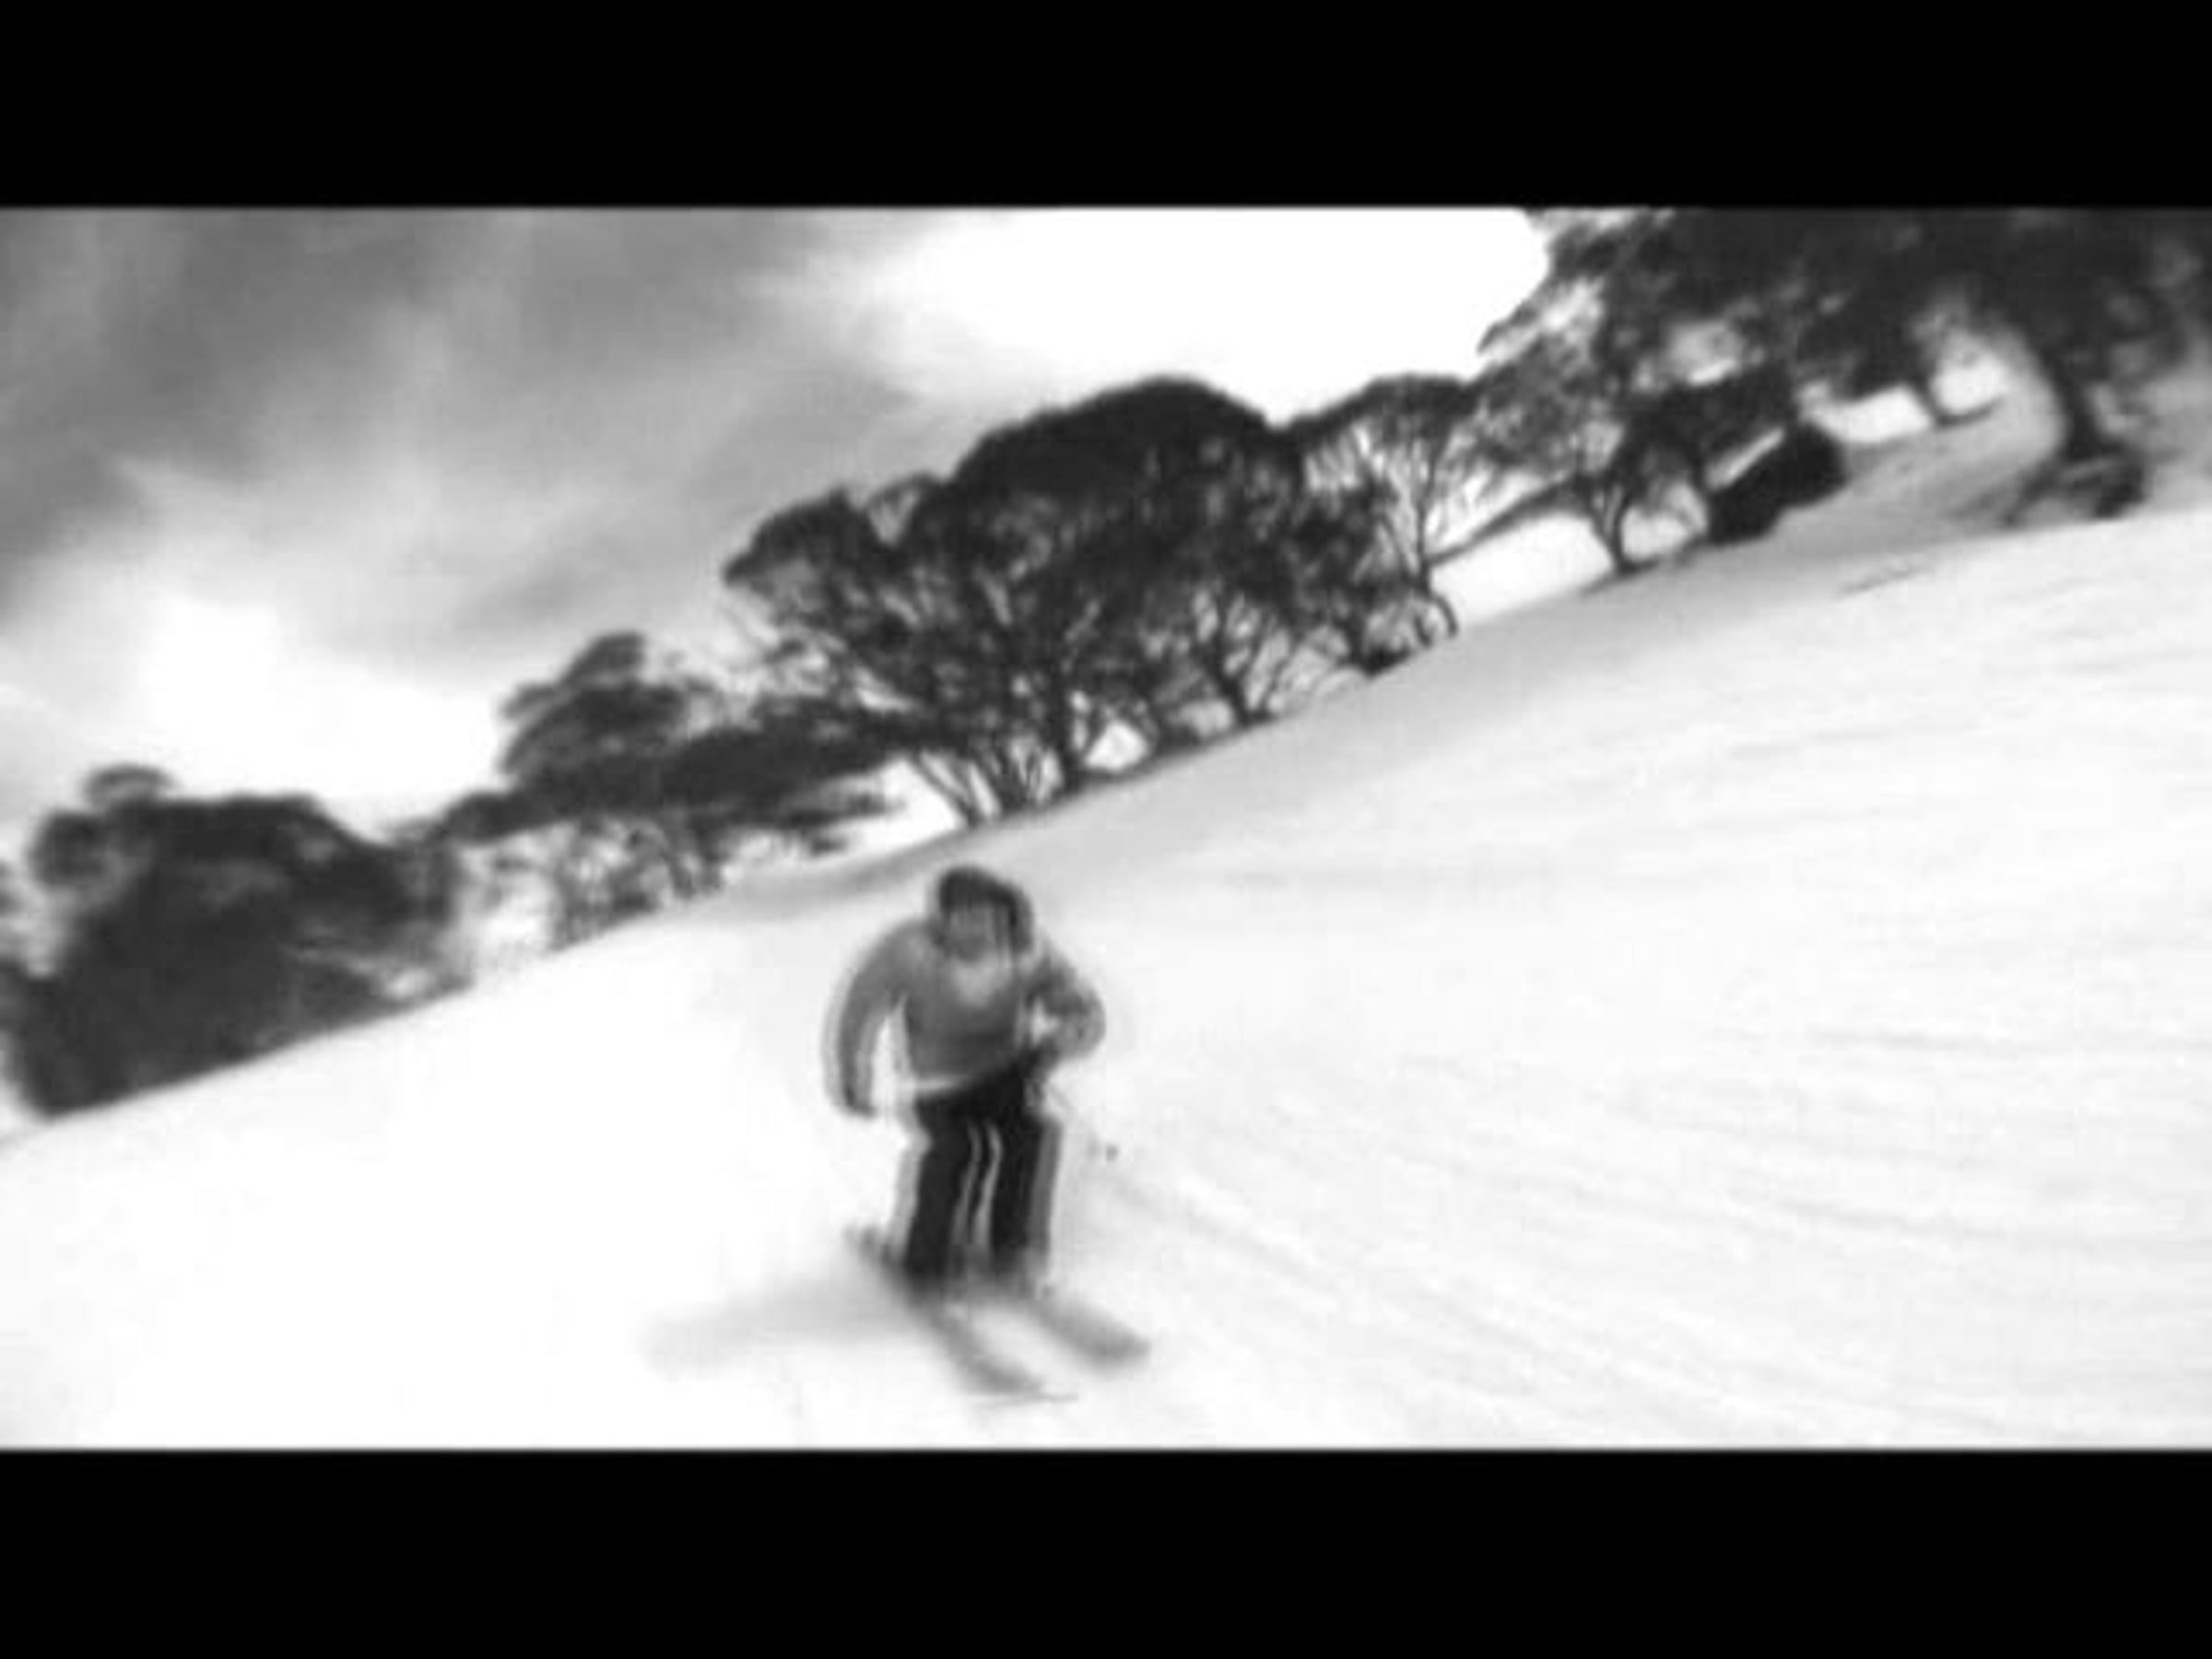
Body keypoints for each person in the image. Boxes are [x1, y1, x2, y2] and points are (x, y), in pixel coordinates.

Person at [825, 864, 1104, 1298]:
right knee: (956, 1150)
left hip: (1005, 1072)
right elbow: (860, 1007)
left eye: (986, 917)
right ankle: (925, 1260)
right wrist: (851, 1072)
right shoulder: (910, 951)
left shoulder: (1027, 950)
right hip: (936, 1083)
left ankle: (1014, 1249)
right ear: (942, 920)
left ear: (1005, 916)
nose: (975, 930)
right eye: (962, 918)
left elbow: (1078, 1004)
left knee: (1030, 1136)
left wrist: (1062, 1039)